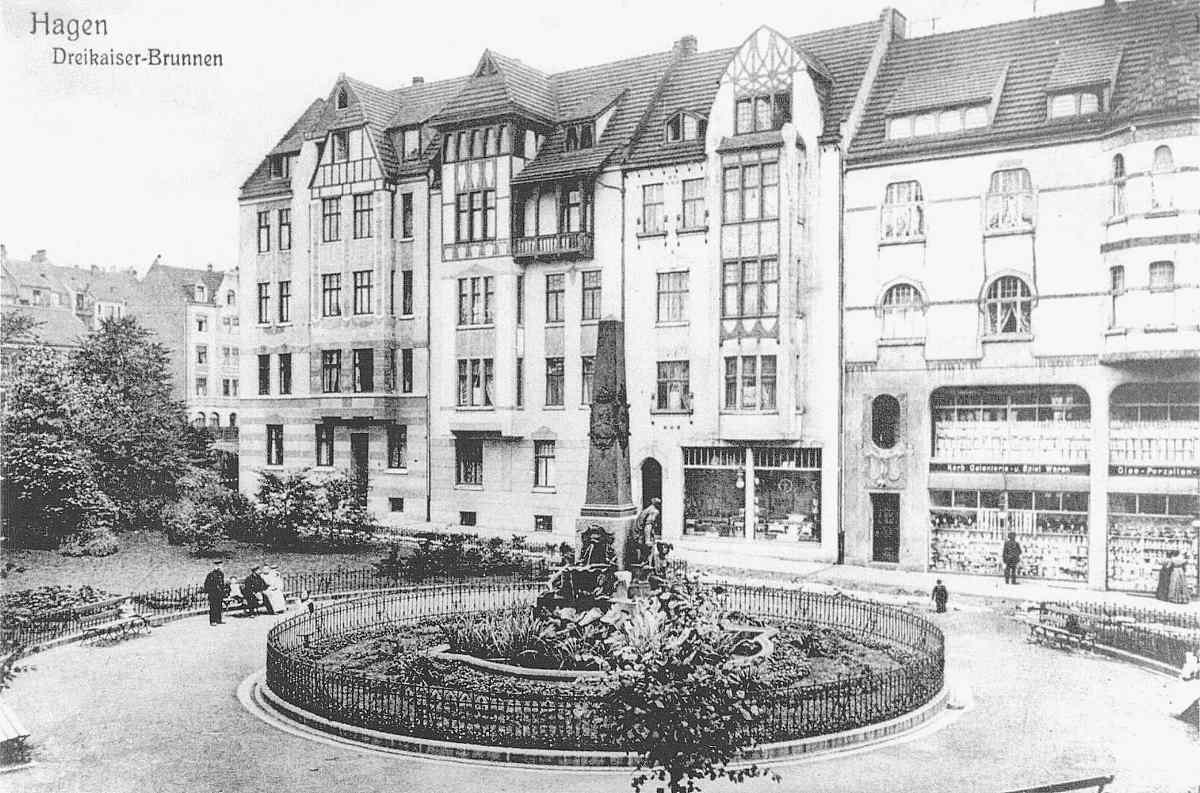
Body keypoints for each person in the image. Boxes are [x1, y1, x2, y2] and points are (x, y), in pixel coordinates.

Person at [635, 498, 662, 568]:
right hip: (642, 535)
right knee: (647, 554)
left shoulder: (649, 509)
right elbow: (648, 526)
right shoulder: (654, 511)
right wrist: (647, 540)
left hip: (639, 534)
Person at [203, 560, 227, 626]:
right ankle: (212, 621)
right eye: (219, 566)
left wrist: (223, 591)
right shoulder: (211, 574)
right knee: (213, 607)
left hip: (219, 593)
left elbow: (222, 584)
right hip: (213, 593)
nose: (221, 567)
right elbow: (207, 584)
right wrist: (209, 592)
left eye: (221, 565)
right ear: (216, 566)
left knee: (219, 606)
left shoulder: (221, 574)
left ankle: (218, 619)